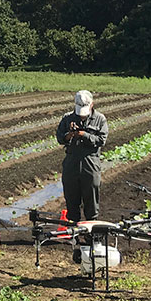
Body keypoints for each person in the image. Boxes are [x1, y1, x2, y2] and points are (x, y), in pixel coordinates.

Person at [56, 90, 108, 221]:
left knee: (91, 201)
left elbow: (101, 140)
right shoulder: (67, 118)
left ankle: (91, 234)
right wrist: (69, 135)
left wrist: (84, 135)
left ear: (92, 104)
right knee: (71, 199)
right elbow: (60, 138)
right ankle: (73, 233)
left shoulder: (100, 119)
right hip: (71, 163)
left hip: (90, 163)